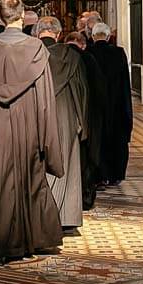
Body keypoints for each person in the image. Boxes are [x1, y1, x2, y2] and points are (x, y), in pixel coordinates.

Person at [0, 0, 64, 263]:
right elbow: (45, 101)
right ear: (21, 15)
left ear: (1, 16)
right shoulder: (36, 49)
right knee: (28, 181)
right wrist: (48, 141)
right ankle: (26, 240)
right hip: (28, 126)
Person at [37, 17, 88, 231]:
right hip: (65, 111)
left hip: (37, 110)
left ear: (37, 33)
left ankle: (38, 215)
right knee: (66, 163)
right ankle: (65, 217)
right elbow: (81, 89)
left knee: (37, 162)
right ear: (58, 34)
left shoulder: (30, 53)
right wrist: (81, 121)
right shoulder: (71, 56)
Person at [66, 30, 107, 209]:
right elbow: (100, 92)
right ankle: (85, 196)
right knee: (86, 158)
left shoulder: (54, 56)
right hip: (88, 116)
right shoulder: (89, 59)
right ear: (82, 43)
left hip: (64, 116)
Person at [91, 22, 133, 185]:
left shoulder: (89, 52)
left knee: (99, 140)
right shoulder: (118, 53)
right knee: (117, 139)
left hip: (96, 105)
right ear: (108, 37)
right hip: (116, 105)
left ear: (93, 36)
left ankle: (100, 175)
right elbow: (124, 83)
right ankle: (116, 174)